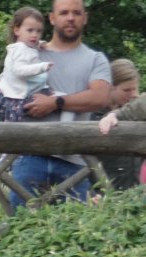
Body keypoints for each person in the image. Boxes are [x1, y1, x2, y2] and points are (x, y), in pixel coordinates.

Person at [8, 0, 112, 209]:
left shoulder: (95, 59)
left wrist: (56, 102)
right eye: (64, 13)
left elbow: (100, 97)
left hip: (74, 161)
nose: (71, 18)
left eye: (76, 13)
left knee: (75, 232)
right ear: (52, 18)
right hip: (30, 155)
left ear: (85, 17)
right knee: (20, 228)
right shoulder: (32, 51)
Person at [0, 7, 54, 122]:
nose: (34, 35)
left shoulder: (25, 45)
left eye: (38, 31)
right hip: (16, 96)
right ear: (17, 30)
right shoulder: (19, 49)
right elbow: (19, 71)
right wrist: (42, 67)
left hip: (19, 92)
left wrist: (40, 44)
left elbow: (32, 47)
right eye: (30, 30)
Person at [96, 59, 142, 189]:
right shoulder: (92, 114)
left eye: (135, 89)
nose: (133, 94)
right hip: (102, 193)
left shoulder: (135, 113)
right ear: (110, 88)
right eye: (127, 90)